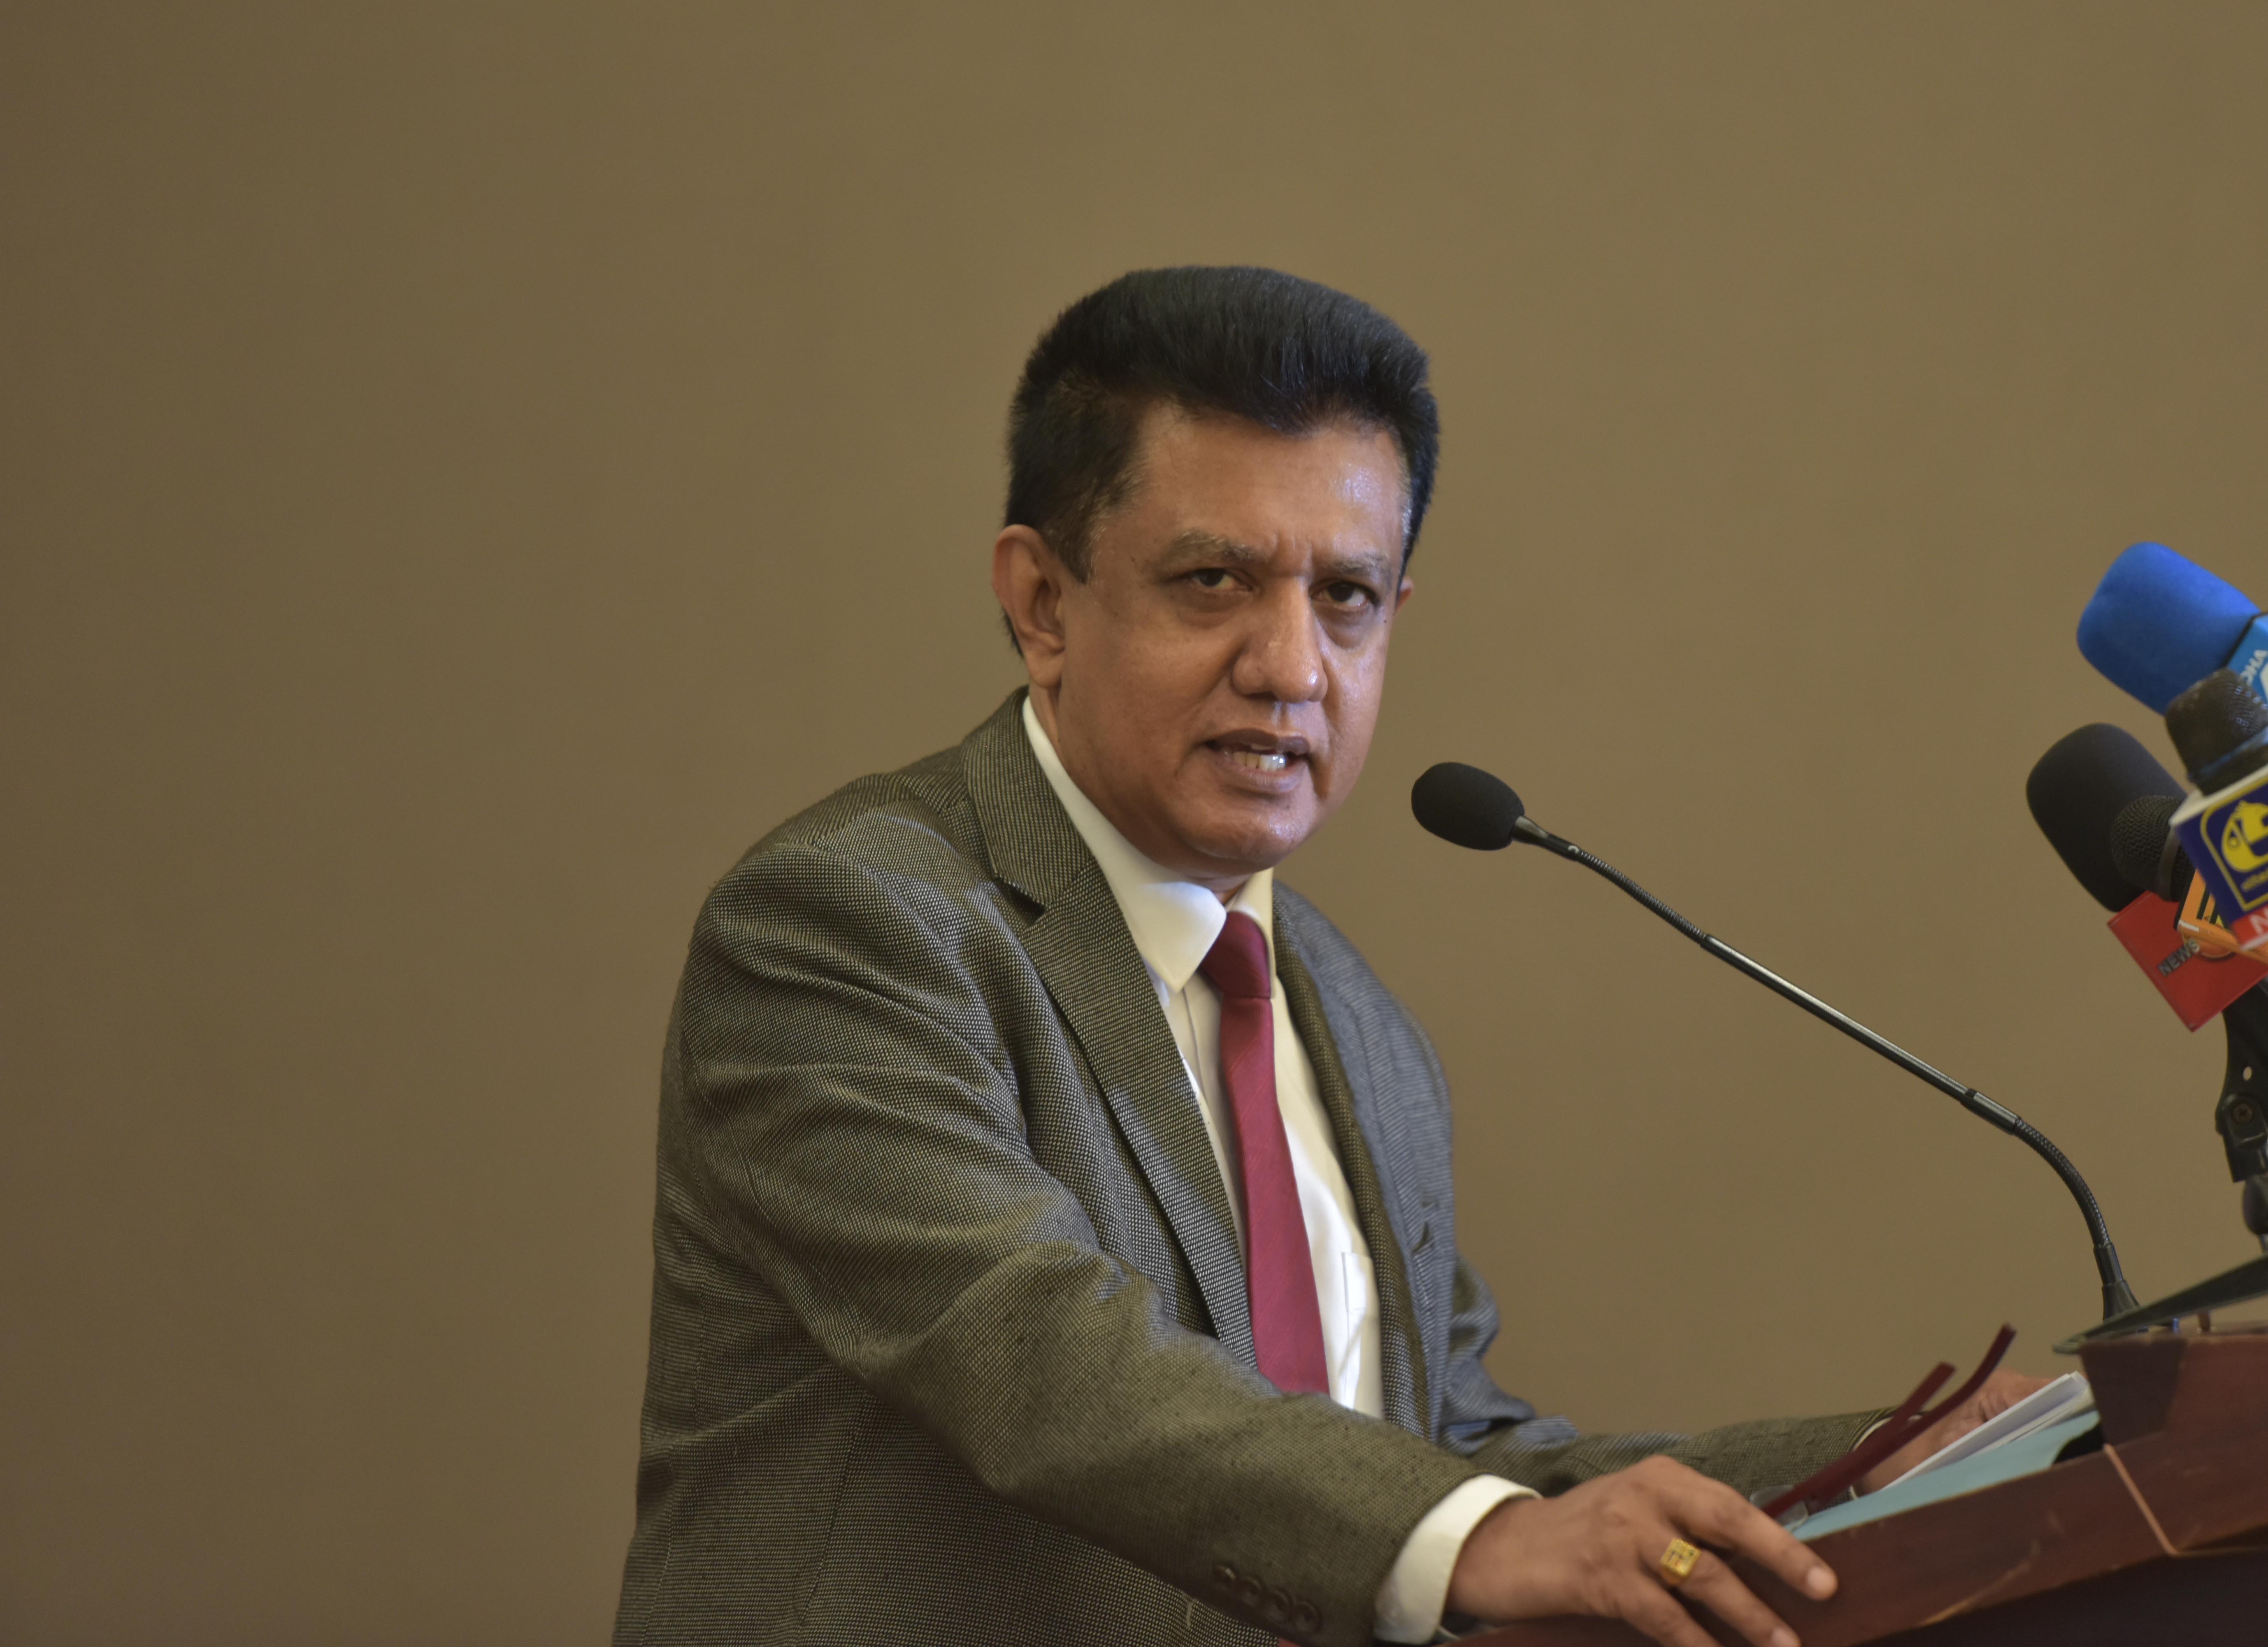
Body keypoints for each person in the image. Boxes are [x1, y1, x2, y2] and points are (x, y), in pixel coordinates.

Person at [613, 267, 2032, 1647]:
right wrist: (1483, 1535)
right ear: (1043, 603)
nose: (1292, 666)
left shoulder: (1355, 1023)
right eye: (1213, 581)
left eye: (1346, 596)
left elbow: (1440, 1459)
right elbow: (1040, 1357)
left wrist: (1898, 1465)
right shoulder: (849, 929)